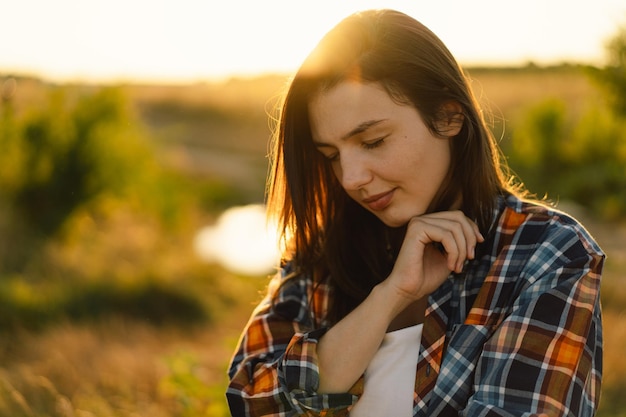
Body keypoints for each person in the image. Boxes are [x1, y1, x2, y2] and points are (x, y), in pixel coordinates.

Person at [226, 8, 604, 417]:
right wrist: (389, 297)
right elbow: (252, 404)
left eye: (372, 141)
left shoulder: (547, 254)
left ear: (448, 115)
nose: (350, 178)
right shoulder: (318, 263)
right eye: (331, 155)